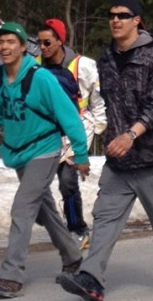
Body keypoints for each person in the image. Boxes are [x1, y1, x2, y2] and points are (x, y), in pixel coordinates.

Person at [56, 0, 153, 301]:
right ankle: (91, 278)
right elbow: (100, 103)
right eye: (112, 15)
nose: (115, 20)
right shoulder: (105, 58)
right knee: (104, 217)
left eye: (123, 15)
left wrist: (131, 134)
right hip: (119, 160)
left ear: (137, 21)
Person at [0, 21, 90, 299]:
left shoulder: (41, 78)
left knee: (22, 209)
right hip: (18, 152)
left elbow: (69, 117)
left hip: (45, 149)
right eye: (1, 43)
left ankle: (11, 276)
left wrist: (80, 155)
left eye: (11, 42)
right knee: (43, 210)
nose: (4, 47)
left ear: (23, 47)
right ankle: (72, 256)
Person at [36, 18, 107, 248]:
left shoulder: (82, 65)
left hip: (79, 125)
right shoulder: (36, 66)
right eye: (40, 43)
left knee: (67, 180)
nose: (43, 47)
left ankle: (78, 230)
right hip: (49, 130)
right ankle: (46, 218)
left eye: (47, 42)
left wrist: (99, 125)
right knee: (39, 179)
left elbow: (97, 97)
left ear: (59, 41)